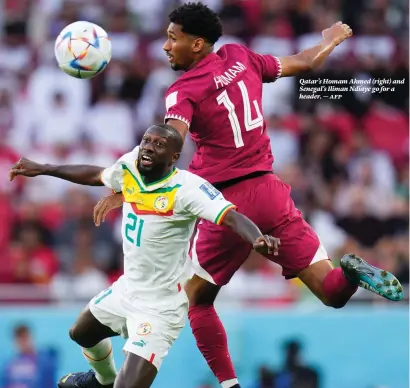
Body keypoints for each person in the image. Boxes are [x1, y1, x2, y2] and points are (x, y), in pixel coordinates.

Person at [98, 3, 405, 388]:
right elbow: (306, 62)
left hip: (226, 205)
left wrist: (125, 184)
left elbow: (169, 140)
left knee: (197, 300)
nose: (165, 46)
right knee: (331, 293)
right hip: (271, 191)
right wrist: (330, 40)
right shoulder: (240, 56)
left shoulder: (183, 91)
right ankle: (349, 270)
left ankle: (229, 384)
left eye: (172, 38)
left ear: (196, 45)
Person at [9, 124, 280, 388]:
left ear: (174, 157)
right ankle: (103, 379)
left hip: (160, 307)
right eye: (146, 141)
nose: (148, 148)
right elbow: (98, 175)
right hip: (128, 289)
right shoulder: (129, 167)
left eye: (159, 145)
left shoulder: (187, 189)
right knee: (81, 332)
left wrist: (256, 237)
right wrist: (45, 169)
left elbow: (231, 217)